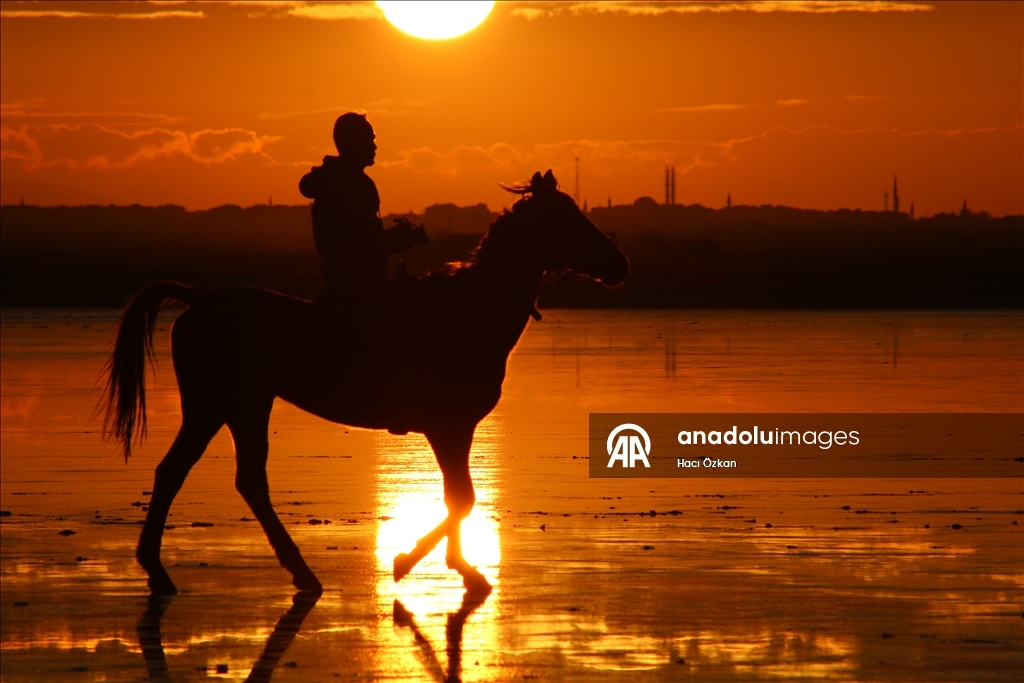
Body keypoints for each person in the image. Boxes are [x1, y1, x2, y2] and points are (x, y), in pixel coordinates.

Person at [299, 112, 427, 306]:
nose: (375, 146)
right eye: (370, 140)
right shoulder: (356, 185)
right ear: (354, 143)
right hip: (362, 288)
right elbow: (365, 247)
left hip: (338, 284)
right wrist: (406, 237)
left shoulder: (333, 181)